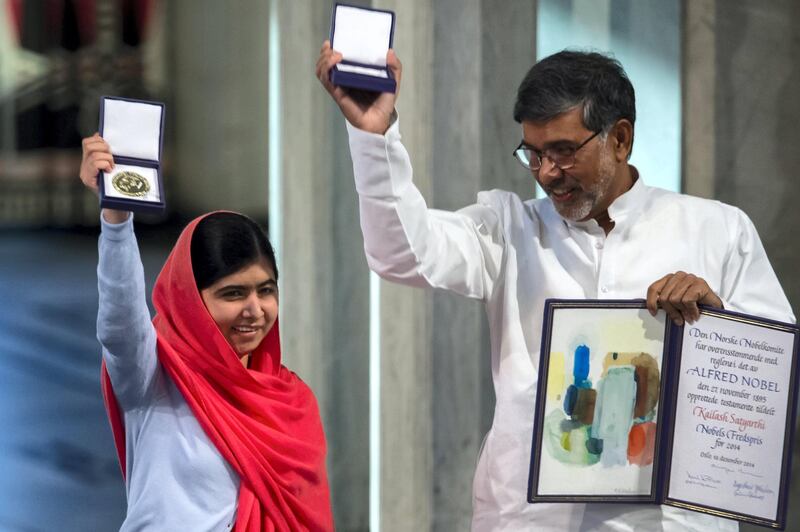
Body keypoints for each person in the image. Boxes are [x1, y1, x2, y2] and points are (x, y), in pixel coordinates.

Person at [316, 42, 795, 531]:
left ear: (621, 139)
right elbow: (401, 253)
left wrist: (713, 317)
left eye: (564, 151)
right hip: (529, 520)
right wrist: (374, 137)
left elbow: (771, 382)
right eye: (534, 153)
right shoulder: (508, 228)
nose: (547, 173)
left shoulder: (717, 230)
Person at [79, 134, 334, 531]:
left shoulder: (290, 402)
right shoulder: (153, 377)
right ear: (190, 301)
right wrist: (116, 222)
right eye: (233, 294)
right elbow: (120, 322)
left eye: (266, 290)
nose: (255, 310)